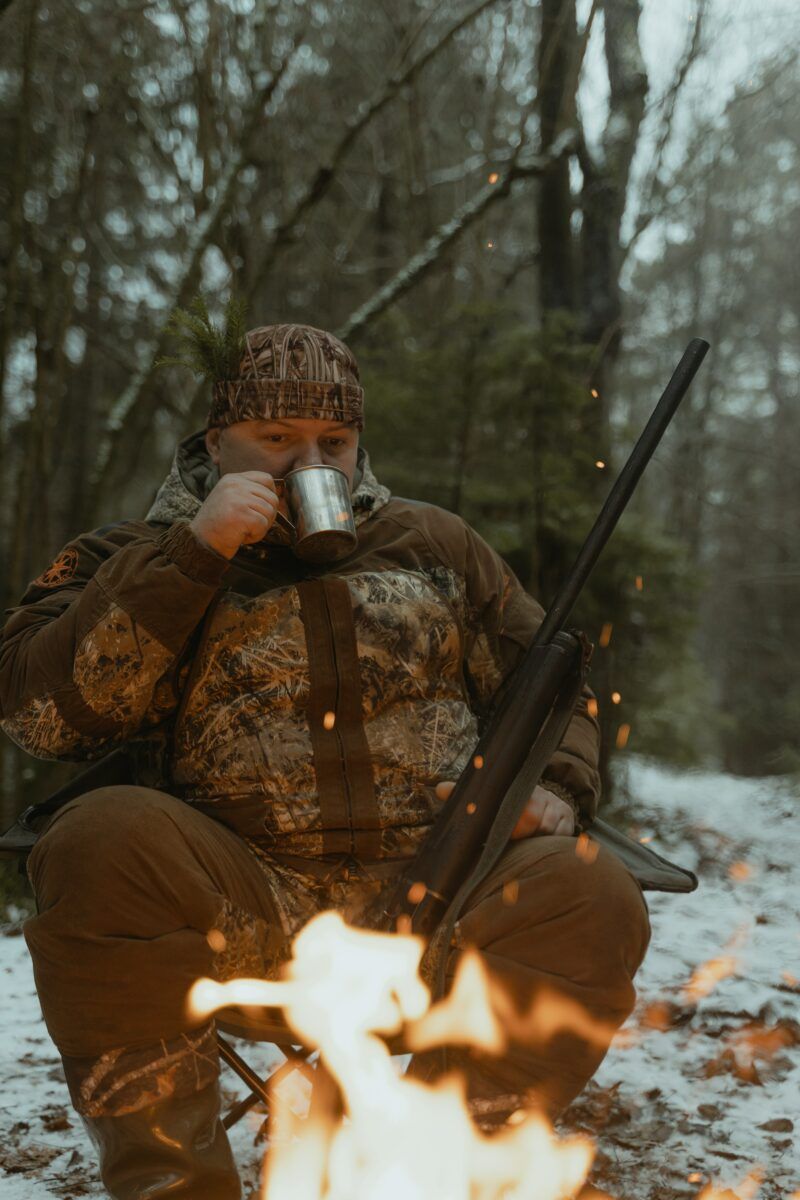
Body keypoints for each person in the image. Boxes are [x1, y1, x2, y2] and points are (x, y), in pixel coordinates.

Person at [0, 323, 649, 1199]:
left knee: (589, 890)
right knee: (101, 837)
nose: (313, 463)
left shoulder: (436, 544)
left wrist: (558, 784)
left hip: (441, 894)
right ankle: (177, 1187)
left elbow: (553, 686)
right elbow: (40, 715)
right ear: (217, 437)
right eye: (276, 441)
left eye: (333, 444)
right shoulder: (126, 556)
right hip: (242, 904)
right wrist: (195, 553)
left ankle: (429, 1169)